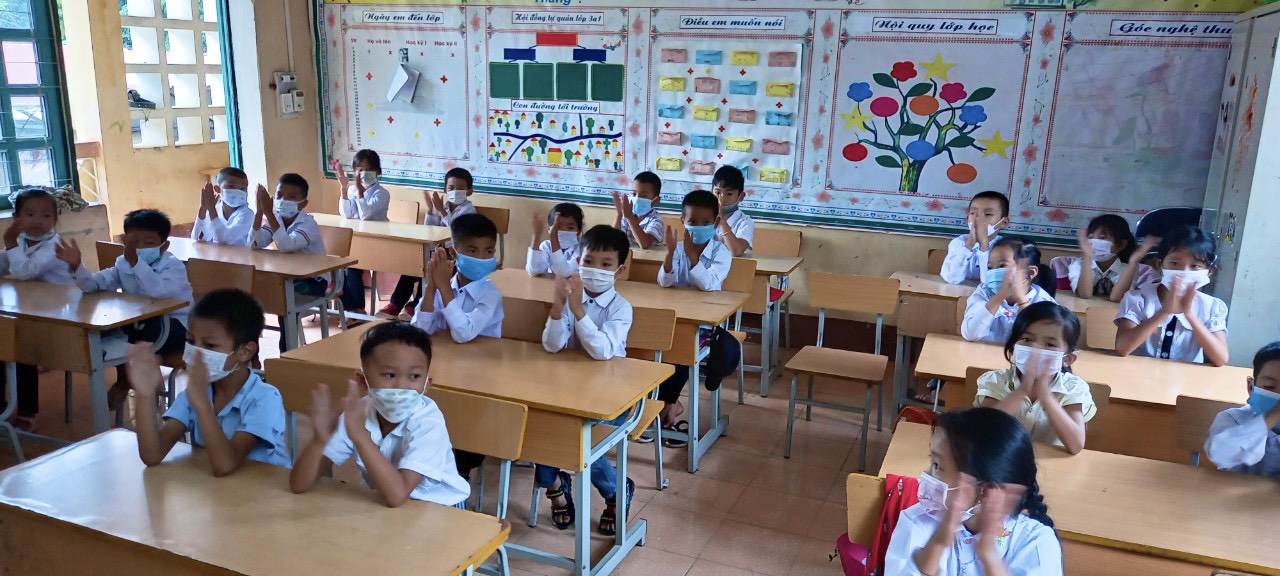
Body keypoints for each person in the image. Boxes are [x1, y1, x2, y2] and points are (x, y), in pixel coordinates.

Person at [289, 322, 470, 507]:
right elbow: (299, 485)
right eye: (390, 375)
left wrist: (361, 437)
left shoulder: (429, 424)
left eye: (414, 376)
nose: (401, 386)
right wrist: (318, 442)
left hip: (443, 509)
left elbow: (397, 496)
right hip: (391, 506)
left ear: (427, 384)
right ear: (362, 380)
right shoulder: (356, 414)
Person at [126, 288, 290, 474]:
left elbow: (225, 465)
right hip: (216, 489)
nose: (196, 353)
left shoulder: (265, 399)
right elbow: (152, 454)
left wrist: (203, 404)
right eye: (190, 341)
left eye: (210, 345)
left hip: (264, 489)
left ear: (245, 352)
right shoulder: (194, 395)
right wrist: (145, 394)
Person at [883, 407, 1062, 575]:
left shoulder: (1036, 542)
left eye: (937, 466)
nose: (925, 474)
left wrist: (989, 557)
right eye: (932, 461)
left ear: (985, 492)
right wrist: (936, 545)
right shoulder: (916, 522)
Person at [539, 224, 635, 534]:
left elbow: (603, 351)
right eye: (588, 261)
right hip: (568, 390)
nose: (595, 269)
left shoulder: (621, 308)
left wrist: (578, 310)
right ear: (578, 261)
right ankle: (555, 485)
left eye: (606, 264)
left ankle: (615, 490)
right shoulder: (571, 299)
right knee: (539, 425)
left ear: (619, 270)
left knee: (579, 441)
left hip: (612, 398)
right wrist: (558, 308)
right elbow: (552, 345)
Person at [60, 209, 193, 410]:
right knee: (111, 326)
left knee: (135, 330)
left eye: (149, 242)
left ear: (164, 246)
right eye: (134, 242)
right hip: (142, 328)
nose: (140, 248)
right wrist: (77, 266)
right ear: (125, 242)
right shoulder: (123, 264)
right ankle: (126, 376)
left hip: (178, 329)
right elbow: (94, 285)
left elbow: (157, 291)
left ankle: (138, 383)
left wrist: (136, 263)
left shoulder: (172, 266)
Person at [651, 190, 732, 447]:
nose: (698, 227)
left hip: (704, 325)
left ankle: (664, 407)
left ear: (716, 223)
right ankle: (663, 408)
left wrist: (692, 256)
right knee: (654, 346)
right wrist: (669, 254)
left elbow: (708, 285)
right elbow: (665, 283)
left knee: (682, 348)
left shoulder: (721, 253)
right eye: (692, 222)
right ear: (682, 221)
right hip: (674, 318)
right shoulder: (677, 249)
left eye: (705, 222)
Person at [974, 302, 1094, 454]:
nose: (1035, 349)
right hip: (1002, 461)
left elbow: (1076, 445)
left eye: (1050, 344)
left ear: (1067, 359)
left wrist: (1046, 396)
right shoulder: (995, 381)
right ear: (1013, 347)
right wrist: (1022, 390)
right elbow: (983, 432)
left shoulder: (1073, 389)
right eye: (1027, 339)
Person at [0, 188, 73, 431]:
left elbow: (25, 272)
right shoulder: (23, 241)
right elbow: (4, 264)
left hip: (62, 319)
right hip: (33, 313)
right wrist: (11, 247)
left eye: (45, 215)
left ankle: (28, 411)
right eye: (30, 214)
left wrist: (10, 243)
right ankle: (2, 409)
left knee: (22, 353)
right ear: (17, 218)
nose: (37, 221)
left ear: (55, 219)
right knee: (2, 344)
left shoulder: (54, 245)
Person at [1114, 226, 1229, 366]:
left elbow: (1220, 358)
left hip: (1186, 377)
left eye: (1195, 266)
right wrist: (1164, 312)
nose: (1184, 271)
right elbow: (1122, 348)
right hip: (1139, 374)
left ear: (1210, 270)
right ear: (1160, 264)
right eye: (1175, 263)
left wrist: (1189, 314)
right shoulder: (1138, 299)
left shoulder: (1212, 307)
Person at [379, 168, 477, 320]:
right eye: (451, 188)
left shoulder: (468, 210)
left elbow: (458, 232)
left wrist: (442, 212)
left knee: (432, 269)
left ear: (469, 191)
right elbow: (430, 230)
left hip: (456, 255)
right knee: (414, 265)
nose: (455, 192)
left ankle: (415, 306)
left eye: (460, 188)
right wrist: (431, 211)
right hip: (437, 250)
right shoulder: (443, 206)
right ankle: (395, 304)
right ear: (445, 189)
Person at [250, 174, 328, 352]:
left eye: (291, 197)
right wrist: (259, 213)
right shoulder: (276, 219)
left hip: (313, 281)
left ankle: (287, 354)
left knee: (283, 302)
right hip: (287, 278)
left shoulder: (308, 224)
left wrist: (269, 214)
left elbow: (286, 246)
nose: (283, 200)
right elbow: (255, 244)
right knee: (249, 299)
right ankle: (252, 356)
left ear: (303, 203)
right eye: (279, 195)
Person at [410, 213, 504, 344]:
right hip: (447, 354)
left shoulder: (490, 294)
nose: (481, 258)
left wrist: (444, 288)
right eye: (472, 251)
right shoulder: (443, 286)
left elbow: (464, 334)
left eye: (488, 252)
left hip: (482, 356)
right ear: (453, 253)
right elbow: (420, 331)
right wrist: (431, 286)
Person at [1204, 341, 1280, 477]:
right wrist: (1271, 417)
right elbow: (1220, 456)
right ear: (1251, 387)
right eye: (1269, 386)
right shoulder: (1233, 419)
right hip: (1232, 490)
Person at [961, 238, 1056, 343]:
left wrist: (1021, 300)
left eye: (1002, 266)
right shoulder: (984, 292)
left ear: (1030, 272)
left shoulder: (1044, 301)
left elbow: (1042, 339)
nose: (994, 273)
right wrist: (998, 297)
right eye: (990, 268)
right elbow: (970, 334)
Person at [334, 150, 391, 316]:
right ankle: (349, 310)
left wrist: (360, 192)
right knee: (341, 267)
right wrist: (344, 190)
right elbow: (347, 214)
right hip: (357, 240)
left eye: (369, 169)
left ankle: (357, 310)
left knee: (351, 267)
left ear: (378, 171)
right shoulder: (352, 190)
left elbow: (366, 215)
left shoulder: (382, 193)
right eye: (360, 170)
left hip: (376, 243)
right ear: (354, 171)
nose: (364, 173)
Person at [1049, 214, 1156, 302]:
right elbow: (1085, 294)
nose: (1094, 242)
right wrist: (1087, 256)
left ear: (1121, 245)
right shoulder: (1077, 264)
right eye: (1091, 237)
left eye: (1102, 238)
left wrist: (1133, 262)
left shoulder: (1129, 268)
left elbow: (1117, 298)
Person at [941, 191, 1009, 285]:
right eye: (973, 213)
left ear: (1004, 222)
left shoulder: (1005, 249)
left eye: (988, 214)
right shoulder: (959, 243)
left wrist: (984, 247)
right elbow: (951, 278)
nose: (978, 219)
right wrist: (969, 245)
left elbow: (991, 284)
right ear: (967, 219)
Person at [191, 167, 253, 246]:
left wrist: (211, 209)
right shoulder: (216, 209)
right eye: (231, 186)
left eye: (243, 188)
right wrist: (203, 209)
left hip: (241, 254)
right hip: (217, 254)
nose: (238, 191)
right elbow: (199, 238)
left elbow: (224, 239)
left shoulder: (247, 214)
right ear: (218, 189)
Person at [526, 202, 584, 278]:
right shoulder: (546, 246)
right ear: (549, 229)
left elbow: (563, 274)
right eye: (558, 227)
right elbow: (534, 271)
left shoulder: (582, 250)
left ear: (579, 231)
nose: (564, 231)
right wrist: (537, 235)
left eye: (570, 228)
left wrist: (554, 237)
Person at [612, 171, 664, 249]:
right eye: (634, 194)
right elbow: (612, 240)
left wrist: (630, 217)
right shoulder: (627, 215)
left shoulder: (656, 219)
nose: (637, 198)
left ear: (656, 200)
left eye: (644, 196)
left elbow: (645, 244)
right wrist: (619, 214)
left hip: (648, 257)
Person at [711, 166, 754, 256]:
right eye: (718, 192)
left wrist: (721, 220)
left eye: (729, 194)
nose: (722, 198)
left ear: (741, 196)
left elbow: (736, 251)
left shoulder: (745, 222)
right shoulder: (704, 216)